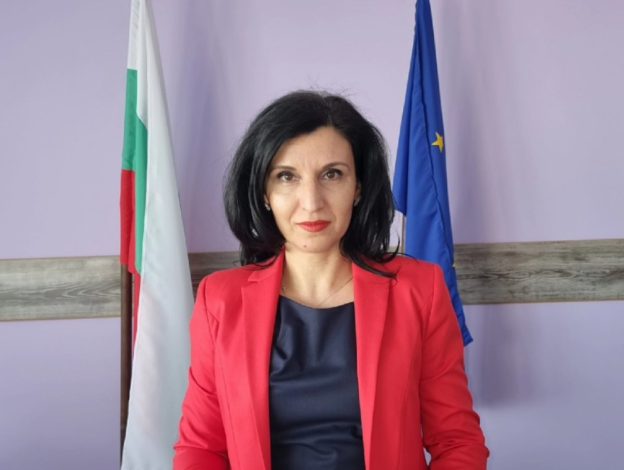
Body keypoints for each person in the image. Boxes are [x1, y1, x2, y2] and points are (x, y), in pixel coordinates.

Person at [173, 91, 488, 470]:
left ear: (358, 187)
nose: (311, 201)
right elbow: (201, 449)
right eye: (286, 177)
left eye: (332, 174)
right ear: (264, 193)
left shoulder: (420, 290)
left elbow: (457, 442)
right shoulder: (220, 299)